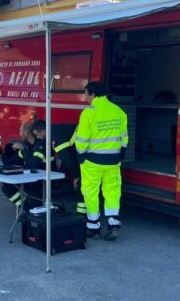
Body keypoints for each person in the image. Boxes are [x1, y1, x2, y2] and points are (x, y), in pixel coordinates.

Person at [75, 81, 128, 241]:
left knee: (91, 193)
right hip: (113, 161)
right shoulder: (118, 111)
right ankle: (113, 225)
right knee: (112, 192)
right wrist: (121, 153)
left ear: (92, 94)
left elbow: (82, 139)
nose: (85, 97)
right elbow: (124, 137)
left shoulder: (89, 112)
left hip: (92, 161)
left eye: (85, 93)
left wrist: (81, 155)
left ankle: (93, 227)